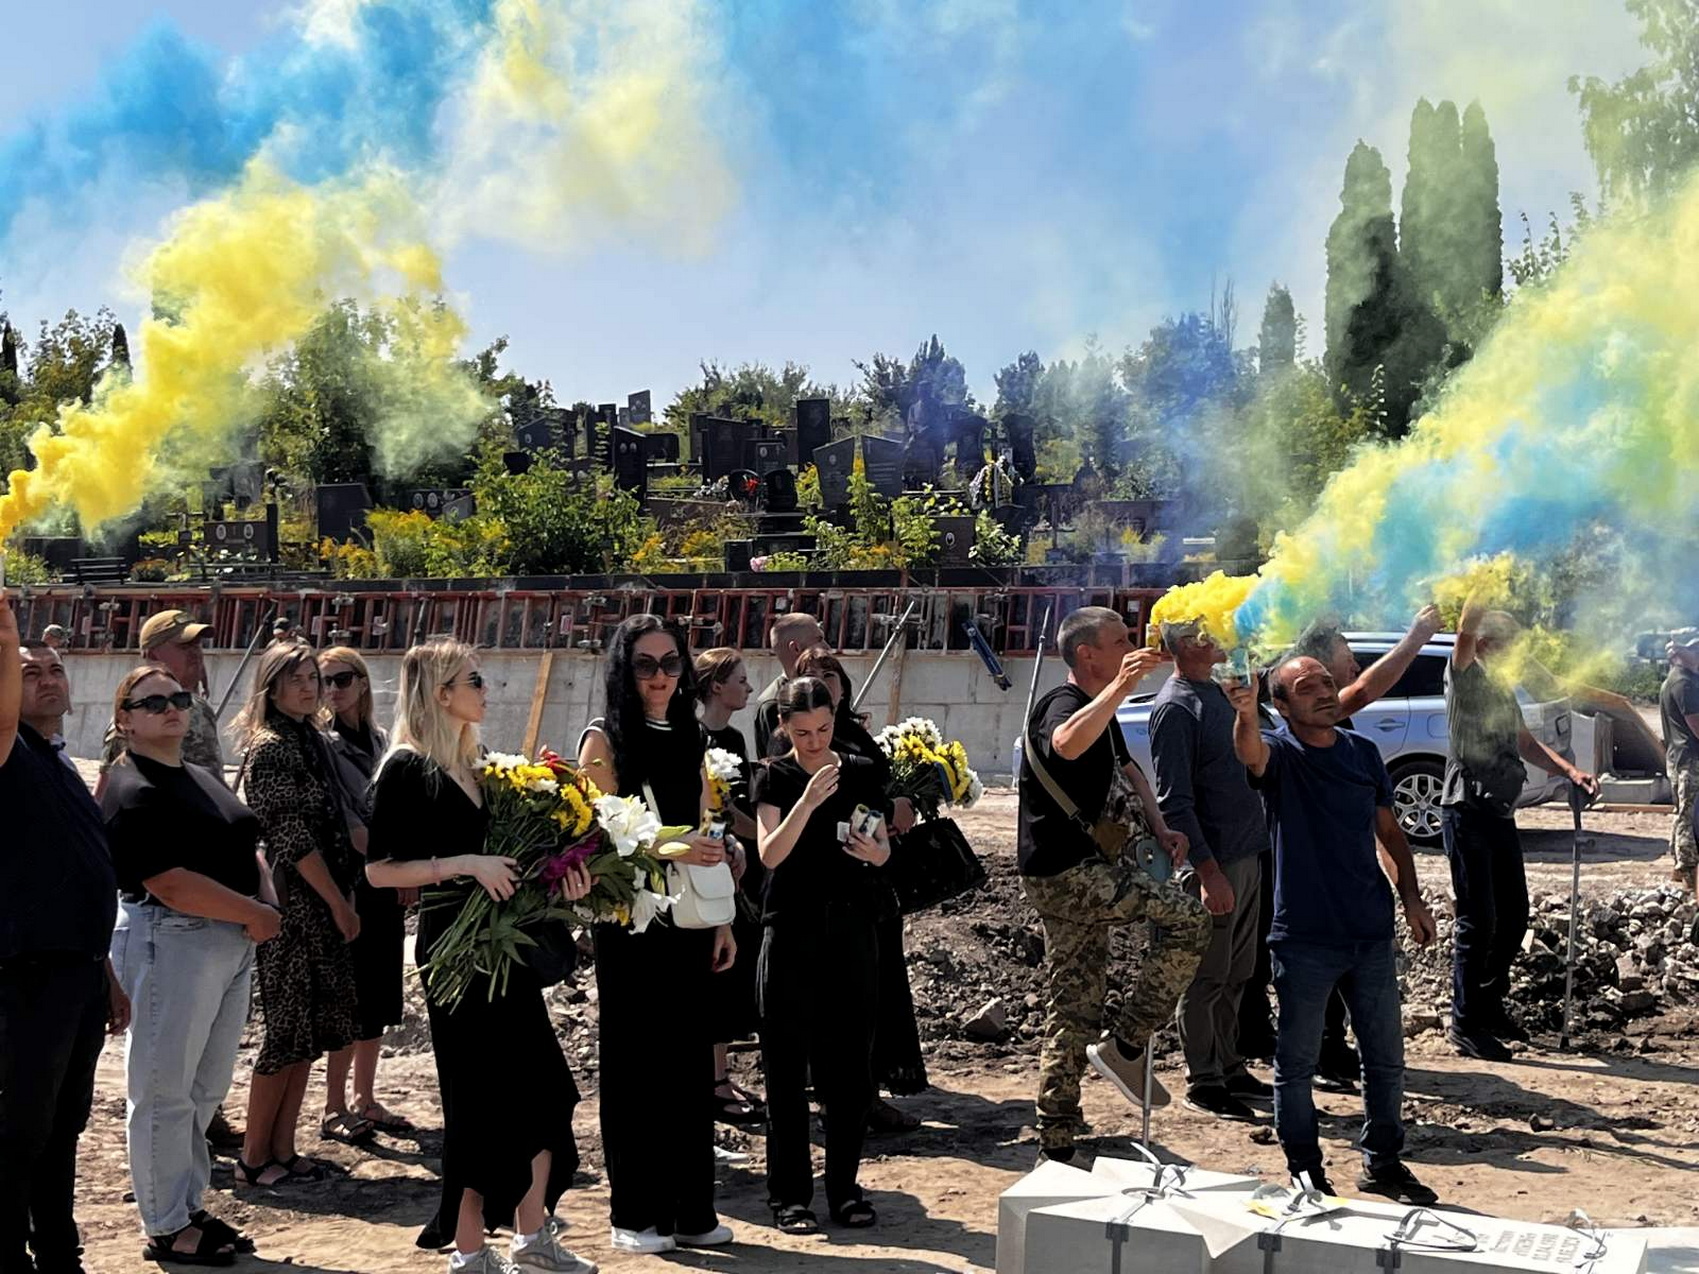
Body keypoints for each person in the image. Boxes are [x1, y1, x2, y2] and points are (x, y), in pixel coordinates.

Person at [367, 638, 596, 1274]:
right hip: (455, 953)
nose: (486, 689)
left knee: (545, 1094)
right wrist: (464, 864)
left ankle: (532, 1237)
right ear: (441, 693)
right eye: (475, 680)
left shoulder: (482, 765)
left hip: (502, 950)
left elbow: (513, 862)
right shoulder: (407, 768)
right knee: (478, 1106)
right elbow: (380, 871)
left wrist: (564, 879)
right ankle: (469, 1253)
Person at [1228, 656, 1440, 1204]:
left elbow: (1389, 834)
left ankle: (1383, 1164)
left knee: (1385, 1060)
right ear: (1281, 706)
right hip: (1303, 938)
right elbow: (1250, 754)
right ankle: (1306, 1172)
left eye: (1327, 682)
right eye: (1306, 688)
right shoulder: (1281, 755)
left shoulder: (1363, 752)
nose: (1324, 692)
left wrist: (1411, 899)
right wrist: (1245, 713)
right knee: (1296, 1065)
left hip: (1370, 932)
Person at [1017, 606, 1210, 1164]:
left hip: (1078, 874)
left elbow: (1128, 770)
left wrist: (1160, 826)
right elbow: (1066, 744)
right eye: (1120, 641)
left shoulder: (1101, 707)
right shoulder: (1062, 704)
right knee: (1190, 920)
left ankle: (1056, 1137)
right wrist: (1121, 687)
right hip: (1067, 875)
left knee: (1074, 1003)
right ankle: (1127, 1045)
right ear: (1088, 654)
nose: (1132, 646)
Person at [104, 664, 280, 1265]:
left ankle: (186, 1205)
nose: (171, 709)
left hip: (229, 939)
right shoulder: (129, 787)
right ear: (124, 719)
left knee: (205, 1087)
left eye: (178, 698)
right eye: (152, 703)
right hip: (172, 938)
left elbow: (246, 845)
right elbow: (169, 882)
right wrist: (254, 912)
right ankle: (164, 1225)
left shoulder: (200, 775)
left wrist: (265, 903)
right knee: (163, 1091)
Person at [578, 616, 737, 1255]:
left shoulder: (692, 734)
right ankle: (636, 1213)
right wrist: (678, 847)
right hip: (630, 921)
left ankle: (692, 1210)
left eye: (671, 663)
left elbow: (706, 823)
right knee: (636, 1065)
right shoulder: (605, 739)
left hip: (687, 919)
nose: (661, 676)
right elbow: (599, 838)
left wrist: (721, 917)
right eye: (645, 665)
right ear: (625, 670)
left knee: (689, 1065)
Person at [1244, 605, 1445, 1090]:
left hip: (1347, 897)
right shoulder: (1299, 721)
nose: (1353, 666)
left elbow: (1389, 832)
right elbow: (1368, 688)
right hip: (1289, 868)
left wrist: (1410, 897)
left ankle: (1328, 1049)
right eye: (1345, 657)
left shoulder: (1344, 737)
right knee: (1296, 974)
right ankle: (1298, 1054)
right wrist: (1416, 636)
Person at [0, 623, 129, 1274]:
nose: (48, 679)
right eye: (31, 672)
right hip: (26, 976)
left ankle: (58, 1252)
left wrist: (105, 973)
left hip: (77, 973)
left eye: (55, 669)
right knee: (19, 1129)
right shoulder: (9, 752)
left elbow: (79, 877)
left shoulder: (58, 759)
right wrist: (6, 636)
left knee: (62, 1126)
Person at [753, 677, 893, 1233]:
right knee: (786, 1069)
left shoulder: (860, 770)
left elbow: (883, 848)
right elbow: (770, 854)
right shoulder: (775, 776)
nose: (815, 742)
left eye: (824, 729)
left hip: (852, 930)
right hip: (791, 930)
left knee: (851, 1070)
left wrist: (875, 853)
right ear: (784, 727)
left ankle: (845, 1189)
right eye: (803, 732)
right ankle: (790, 1196)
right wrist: (808, 802)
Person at [230, 643, 362, 1189]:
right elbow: (289, 836)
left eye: (313, 678)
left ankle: (283, 1149)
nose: (310, 688)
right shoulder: (271, 748)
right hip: (292, 908)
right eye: (296, 680)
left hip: (320, 901)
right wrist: (337, 902)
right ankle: (253, 1156)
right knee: (284, 1033)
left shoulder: (309, 739)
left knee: (307, 1033)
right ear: (272, 687)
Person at [1443, 604, 1598, 1061]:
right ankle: (1465, 1022)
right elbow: (1463, 633)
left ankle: (1489, 1004)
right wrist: (1479, 584)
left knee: (1514, 914)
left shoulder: (1501, 686)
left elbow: (1525, 742)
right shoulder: (1465, 676)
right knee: (1478, 920)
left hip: (1498, 811)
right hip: (1467, 810)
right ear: (1485, 644)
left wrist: (1570, 771)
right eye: (1510, 643)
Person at [794, 645, 927, 1129]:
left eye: (830, 675)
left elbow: (872, 787)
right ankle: (842, 1099)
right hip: (832, 885)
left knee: (872, 990)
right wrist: (888, 810)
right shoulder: (801, 742)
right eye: (812, 676)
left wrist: (899, 804)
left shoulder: (854, 732)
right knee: (838, 998)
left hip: (872, 880)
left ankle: (864, 1093)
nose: (824, 683)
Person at [1149, 621, 1271, 1123]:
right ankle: (1204, 1080)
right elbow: (1174, 801)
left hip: (1246, 855)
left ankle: (1229, 1065)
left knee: (1237, 973)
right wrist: (1207, 872)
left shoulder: (1219, 693)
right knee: (1206, 977)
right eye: (1206, 630)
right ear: (1184, 644)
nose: (1219, 635)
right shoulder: (1177, 707)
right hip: (1215, 864)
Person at [319, 647, 412, 1145]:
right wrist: (396, 868)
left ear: (361, 682)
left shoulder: (380, 740)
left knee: (377, 994)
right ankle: (334, 1104)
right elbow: (349, 823)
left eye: (341, 678)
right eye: (324, 680)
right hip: (352, 880)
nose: (332, 689)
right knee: (350, 995)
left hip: (385, 878)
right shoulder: (325, 744)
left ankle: (365, 1096)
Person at [693, 647, 767, 1133]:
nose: (749, 688)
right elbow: (717, 811)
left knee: (729, 970)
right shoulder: (695, 739)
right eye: (740, 680)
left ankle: (719, 1075)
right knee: (714, 974)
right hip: (711, 863)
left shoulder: (735, 739)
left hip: (738, 864)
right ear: (717, 686)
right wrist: (763, 834)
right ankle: (713, 1082)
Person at [100, 609, 226, 787]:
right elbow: (107, 787)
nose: (195, 653)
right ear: (153, 655)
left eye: (197, 645)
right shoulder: (139, 714)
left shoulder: (198, 707)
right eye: (184, 646)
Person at [752, 612, 824, 759]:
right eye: (819, 640)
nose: (827, 647)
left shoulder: (821, 690)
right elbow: (782, 761)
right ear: (796, 648)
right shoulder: (774, 704)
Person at [1660, 634, 1699, 895]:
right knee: (1690, 817)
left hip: (1680, 759)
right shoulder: (1684, 683)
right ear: (1678, 653)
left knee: (1683, 812)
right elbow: (1697, 726)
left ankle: (1679, 866)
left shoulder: (1677, 679)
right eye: (1694, 649)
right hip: (1691, 761)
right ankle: (1689, 874)